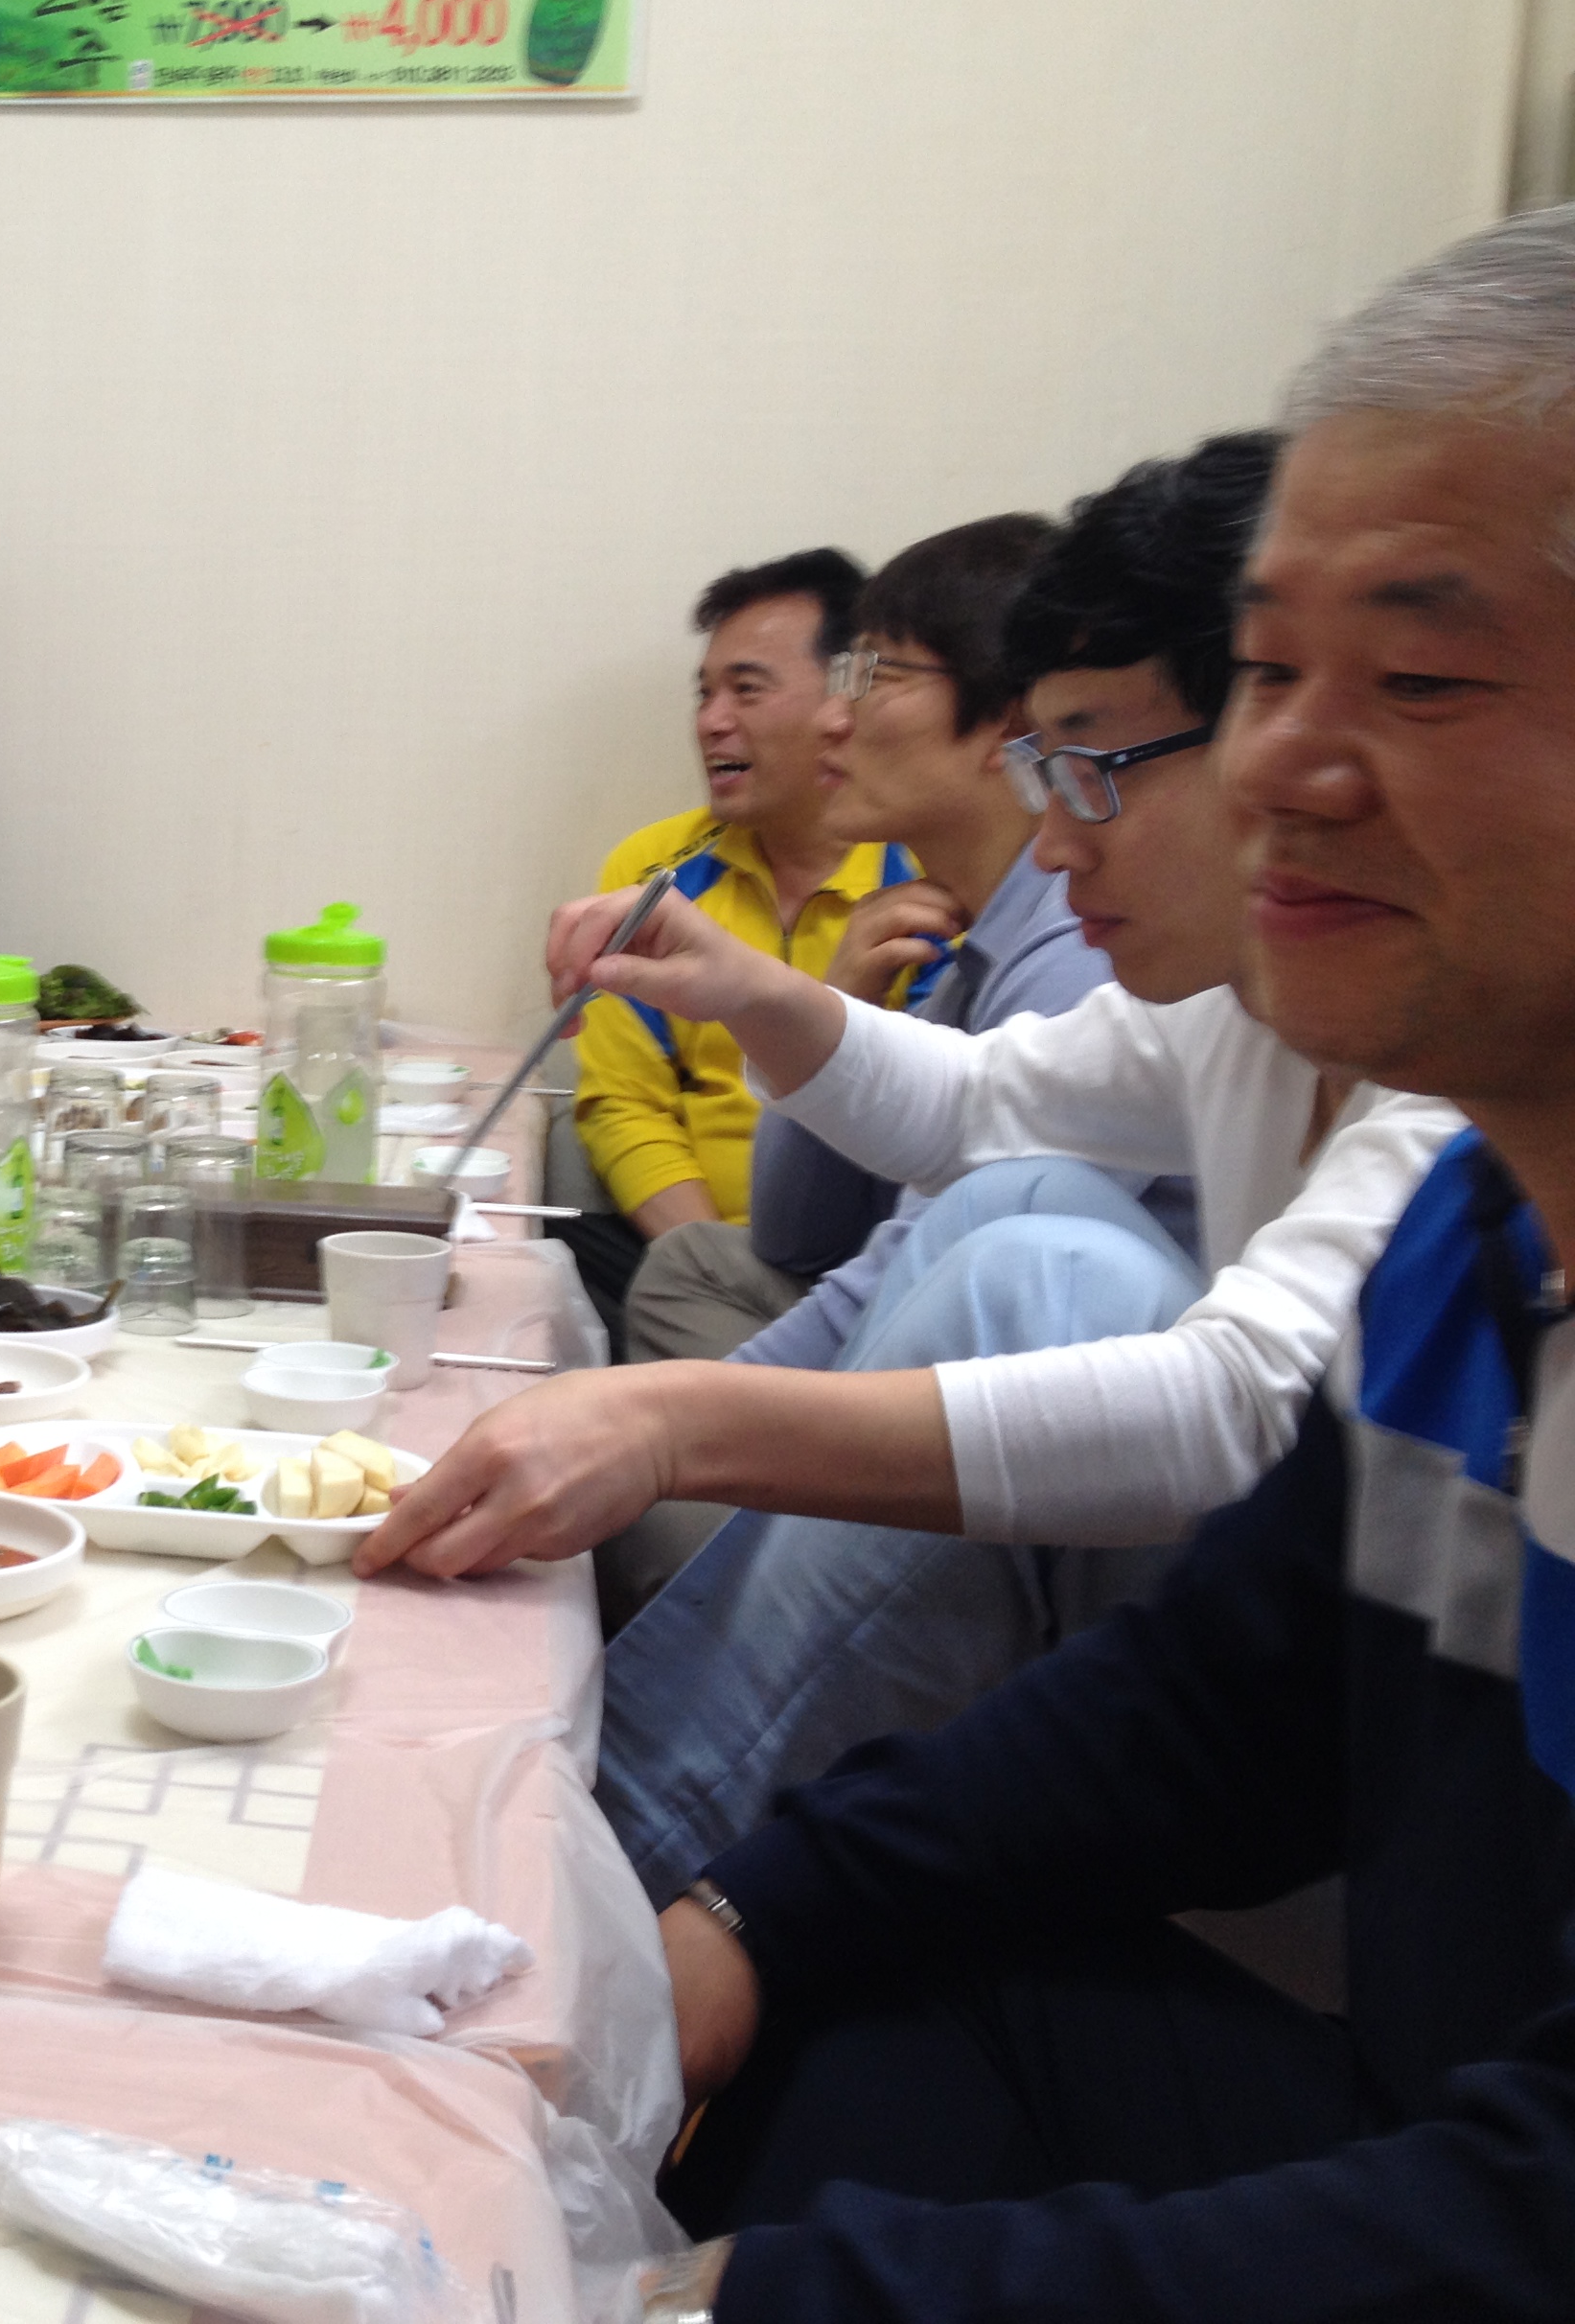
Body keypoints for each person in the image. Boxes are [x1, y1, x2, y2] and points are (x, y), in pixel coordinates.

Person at [629, 203, 1575, 2324]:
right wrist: (750, 1911)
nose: (1281, 767)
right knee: (858, 1990)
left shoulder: (1418, 1142)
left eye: (1419, 676)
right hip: (1412, 2076)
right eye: (1269, 673)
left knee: (1027, 1257)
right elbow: (1212, 1701)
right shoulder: (1477, 1235)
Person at [360, 435, 1463, 1897]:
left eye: (1090, 771)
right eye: (1042, 770)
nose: (1054, 842)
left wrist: (675, 1424)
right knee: (1019, 1197)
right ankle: (596, 1826)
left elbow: (1234, 1405)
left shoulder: (1453, 1069)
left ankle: (593, 1870)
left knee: (1045, 1265)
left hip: (1294, 1729)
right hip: (1205, 1614)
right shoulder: (1235, 1011)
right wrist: (749, 988)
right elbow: (977, 1107)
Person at [622, 510, 1143, 1370]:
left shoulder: (1075, 953)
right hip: (914, 1328)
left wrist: (674, 1425)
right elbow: (794, 1237)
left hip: (1020, 1391)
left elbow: (908, 1292)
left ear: (1010, 725)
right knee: (692, 1266)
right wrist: (834, 1005)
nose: (835, 718)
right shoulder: (974, 935)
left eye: (872, 676)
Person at [564, 548, 915, 1341]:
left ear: (846, 700)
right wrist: (709, 1269)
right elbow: (625, 1105)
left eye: (746, 690)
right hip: (693, 1260)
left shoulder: (922, 878)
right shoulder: (652, 873)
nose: (711, 721)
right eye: (705, 693)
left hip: (876, 1272)